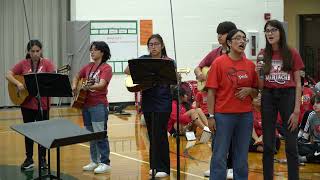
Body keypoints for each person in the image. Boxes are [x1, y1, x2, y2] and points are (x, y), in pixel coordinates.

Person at [256, 19, 305, 180]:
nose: (270, 33)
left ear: (280, 32)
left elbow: (298, 83)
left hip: (288, 95)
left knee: (291, 144)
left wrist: (297, 110)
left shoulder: (292, 52)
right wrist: (259, 73)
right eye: (267, 31)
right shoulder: (262, 54)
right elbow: (261, 84)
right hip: (268, 96)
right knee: (268, 145)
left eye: (273, 30)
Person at [206, 29, 258, 180]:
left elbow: (256, 92)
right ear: (229, 43)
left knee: (241, 156)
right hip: (223, 116)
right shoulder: (218, 63)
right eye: (237, 38)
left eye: (244, 39)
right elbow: (211, 92)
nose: (242, 41)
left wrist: (250, 90)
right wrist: (211, 116)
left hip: (245, 116)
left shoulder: (250, 65)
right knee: (220, 155)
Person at [124, 34, 172, 178]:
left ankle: (164, 168)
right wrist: (142, 71)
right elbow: (127, 70)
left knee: (160, 134)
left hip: (163, 102)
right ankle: (154, 166)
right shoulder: (144, 59)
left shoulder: (168, 61)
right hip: (148, 101)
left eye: (156, 44)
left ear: (162, 45)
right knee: (151, 134)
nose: (153, 47)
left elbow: (173, 78)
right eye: (151, 44)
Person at [194, 21, 238, 178]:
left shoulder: (238, 54)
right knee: (216, 135)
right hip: (216, 102)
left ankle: (231, 167)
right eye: (218, 34)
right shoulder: (215, 53)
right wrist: (200, 74)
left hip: (231, 101)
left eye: (222, 33)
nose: (219, 36)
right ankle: (217, 167)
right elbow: (199, 66)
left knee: (231, 135)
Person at [6, 39, 56, 170]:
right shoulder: (23, 64)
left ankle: (43, 159)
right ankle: (29, 159)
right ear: (28, 51)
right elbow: (8, 74)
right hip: (27, 104)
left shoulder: (47, 64)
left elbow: (53, 81)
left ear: (41, 51)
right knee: (28, 132)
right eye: (32, 51)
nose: (35, 54)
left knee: (43, 133)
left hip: (43, 105)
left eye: (37, 51)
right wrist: (18, 84)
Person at [72, 41, 112, 174]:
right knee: (90, 135)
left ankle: (105, 162)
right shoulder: (88, 66)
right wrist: (74, 85)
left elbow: (101, 85)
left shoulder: (106, 68)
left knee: (100, 134)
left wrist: (88, 87)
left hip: (98, 105)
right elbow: (77, 76)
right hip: (86, 105)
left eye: (94, 50)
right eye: (91, 50)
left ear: (102, 52)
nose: (92, 52)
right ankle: (94, 161)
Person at [298, 94, 320, 163]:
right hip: (316, 146)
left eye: (317, 103)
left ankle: (305, 158)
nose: (315, 105)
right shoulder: (312, 117)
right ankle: (314, 157)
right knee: (296, 146)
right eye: (313, 103)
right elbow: (312, 139)